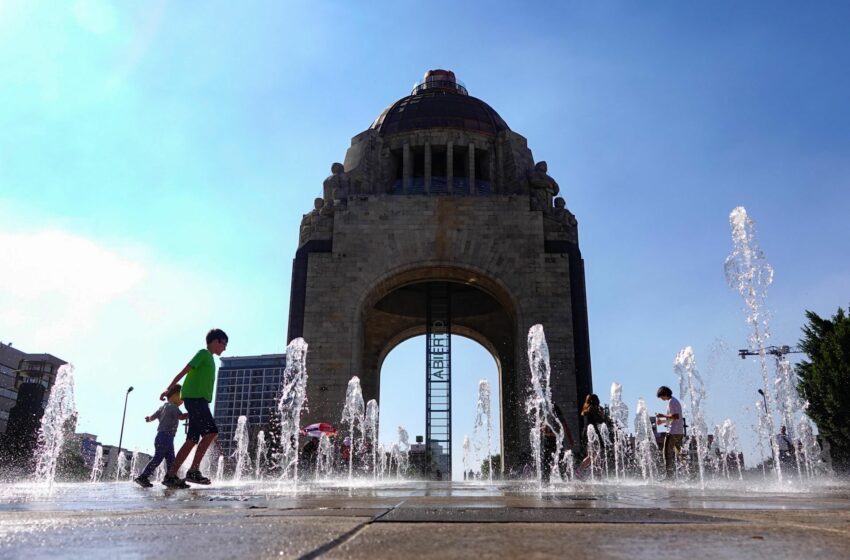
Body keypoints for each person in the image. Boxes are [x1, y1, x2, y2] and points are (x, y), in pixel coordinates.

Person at [158, 328, 228, 488]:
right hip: (196, 401)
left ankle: (170, 476)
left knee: (191, 440)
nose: (224, 348)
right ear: (216, 341)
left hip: (198, 401)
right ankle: (193, 471)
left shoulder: (209, 359)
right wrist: (169, 389)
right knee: (211, 432)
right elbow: (184, 370)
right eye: (224, 344)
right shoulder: (203, 354)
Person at [134, 384, 189, 488]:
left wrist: (148, 419)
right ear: (175, 396)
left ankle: (171, 478)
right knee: (158, 458)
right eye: (181, 396)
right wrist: (191, 413)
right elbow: (181, 417)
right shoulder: (173, 407)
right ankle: (143, 477)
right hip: (166, 437)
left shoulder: (162, 407)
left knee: (171, 459)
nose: (182, 400)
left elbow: (152, 417)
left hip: (162, 436)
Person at [656, 386, 684, 480]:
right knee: (680, 454)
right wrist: (663, 421)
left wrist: (662, 415)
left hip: (672, 432)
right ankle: (691, 473)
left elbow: (676, 416)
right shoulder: (674, 401)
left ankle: (669, 476)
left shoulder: (672, 401)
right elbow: (673, 418)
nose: (661, 399)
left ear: (664, 394)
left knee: (666, 453)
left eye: (661, 397)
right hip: (679, 432)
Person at [577, 394, 607, 475]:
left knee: (592, 455)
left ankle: (595, 473)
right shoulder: (593, 409)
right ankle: (579, 471)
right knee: (595, 454)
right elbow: (600, 420)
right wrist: (602, 414)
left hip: (587, 432)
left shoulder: (586, 409)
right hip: (593, 433)